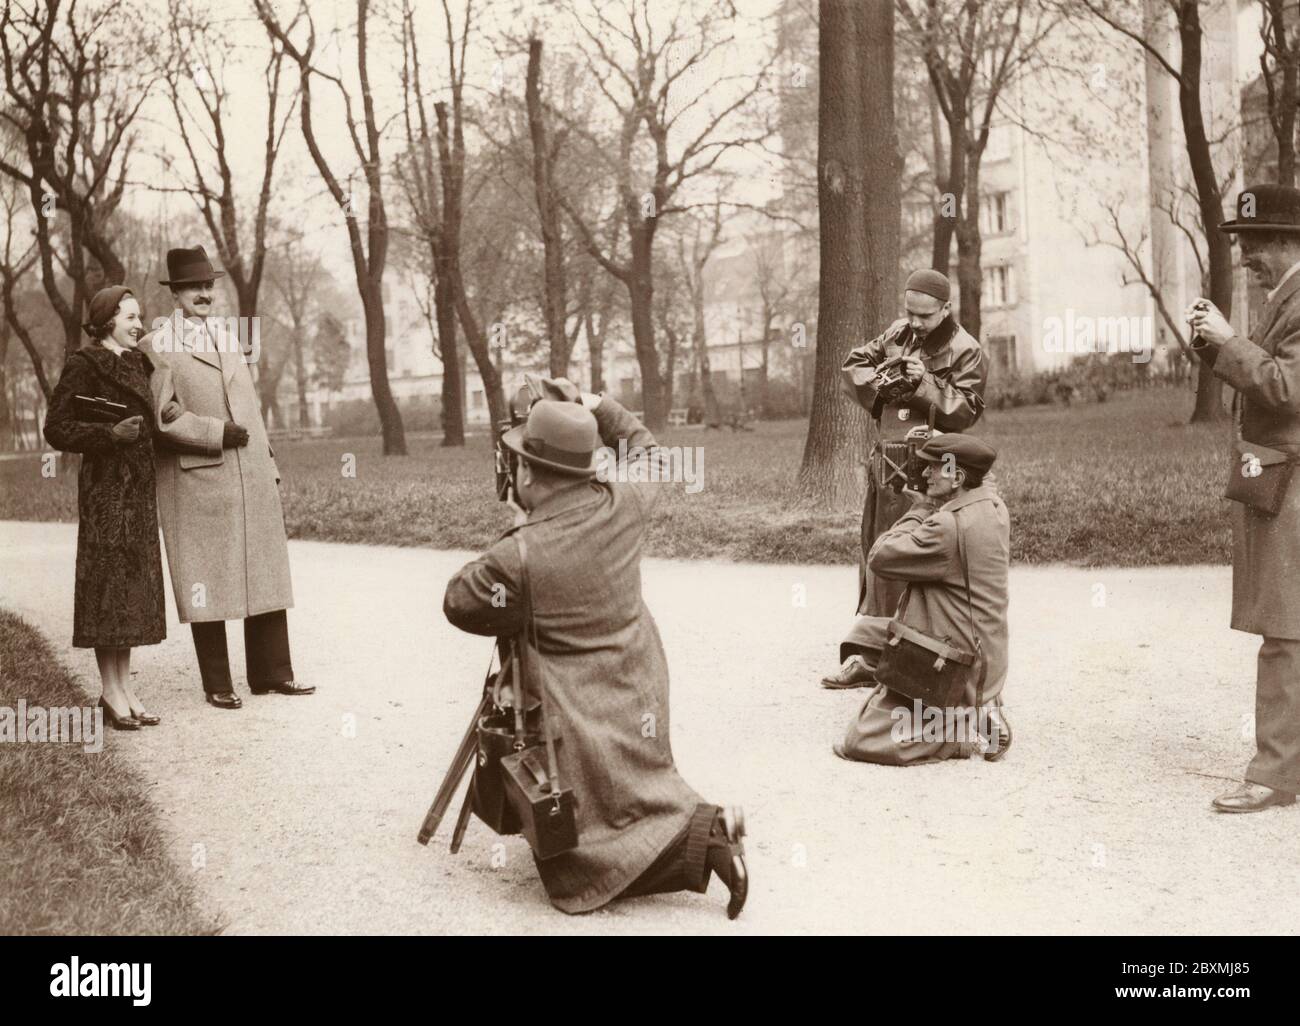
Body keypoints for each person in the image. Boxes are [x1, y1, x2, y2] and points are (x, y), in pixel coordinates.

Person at [443, 383, 748, 918]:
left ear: (531, 473)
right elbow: (649, 452)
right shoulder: (624, 500)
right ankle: (702, 832)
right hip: (638, 678)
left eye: (516, 463)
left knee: (577, 864)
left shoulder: (517, 555)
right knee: (636, 782)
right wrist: (598, 404)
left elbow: (459, 602)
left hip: (571, 701)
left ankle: (703, 840)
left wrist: (517, 531)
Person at [144, 245, 312, 710]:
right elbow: (163, 416)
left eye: (208, 285)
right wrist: (216, 433)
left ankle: (273, 673)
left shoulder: (228, 334)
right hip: (201, 475)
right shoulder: (157, 345)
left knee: (264, 570)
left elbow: (251, 407)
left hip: (251, 470)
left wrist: (269, 462)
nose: (204, 294)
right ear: (175, 293)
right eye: (193, 287)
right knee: (208, 579)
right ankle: (217, 682)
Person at [1188, 183, 1300, 813]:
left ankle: (1275, 773)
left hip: (1293, 484)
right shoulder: (1285, 298)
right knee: (1287, 626)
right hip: (1278, 478)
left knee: (1285, 629)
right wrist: (1214, 343)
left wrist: (1230, 339)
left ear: (1287, 241)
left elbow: (1286, 388)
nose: (1247, 257)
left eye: (1254, 243)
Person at [825, 269, 987, 691]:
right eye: (910, 313)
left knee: (914, 556)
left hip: (932, 469)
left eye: (925, 316)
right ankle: (869, 653)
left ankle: (910, 655)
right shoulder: (898, 334)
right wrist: (882, 383)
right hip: (887, 462)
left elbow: (966, 412)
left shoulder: (967, 350)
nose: (914, 323)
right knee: (877, 553)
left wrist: (923, 385)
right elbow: (853, 365)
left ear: (946, 309)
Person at [832, 434, 1011, 765]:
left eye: (933, 469)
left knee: (862, 739)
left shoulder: (946, 525)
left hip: (955, 662)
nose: (924, 475)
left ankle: (963, 729)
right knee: (863, 634)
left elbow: (881, 556)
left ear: (957, 477)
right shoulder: (993, 506)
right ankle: (984, 705)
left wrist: (919, 510)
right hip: (985, 655)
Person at [43, 286, 174, 729]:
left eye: (140, 317)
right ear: (107, 321)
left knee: (131, 590)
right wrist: (108, 436)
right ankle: (109, 690)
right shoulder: (85, 364)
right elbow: (57, 428)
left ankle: (125, 687)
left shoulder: (139, 362)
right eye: (131, 317)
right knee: (107, 589)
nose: (140, 324)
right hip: (105, 494)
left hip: (138, 491)